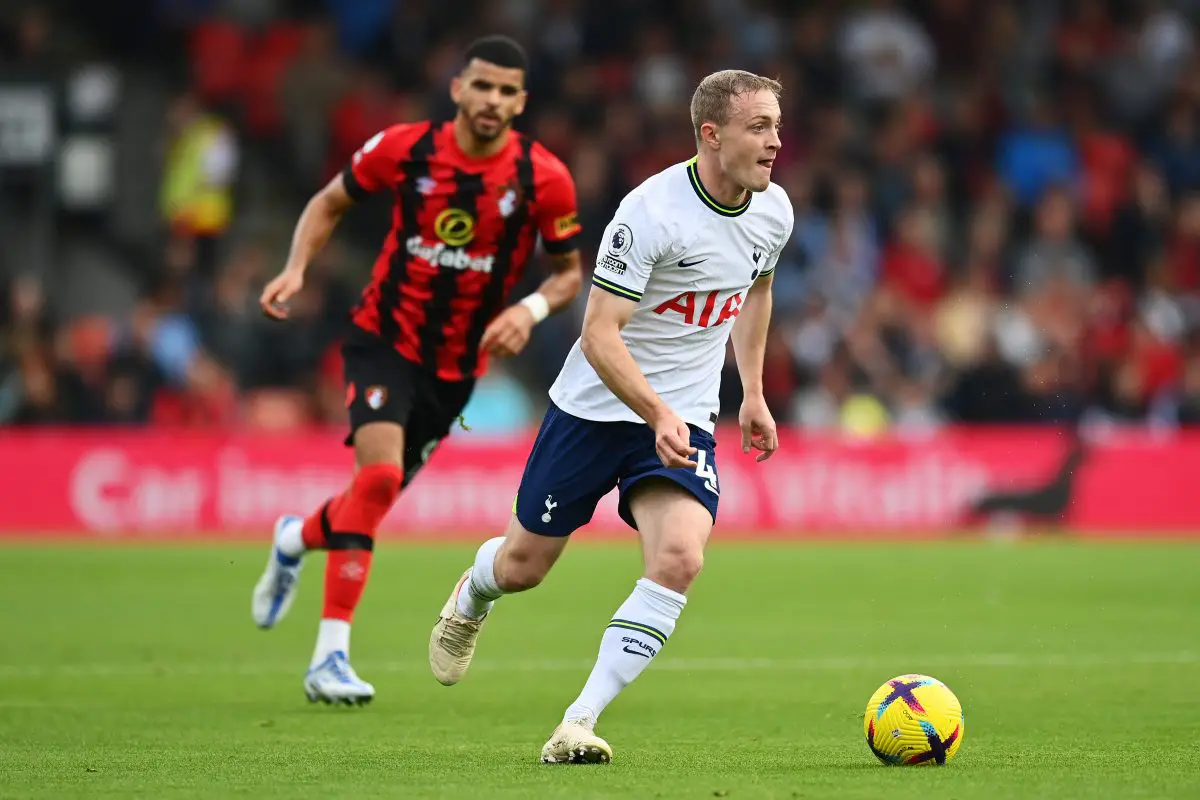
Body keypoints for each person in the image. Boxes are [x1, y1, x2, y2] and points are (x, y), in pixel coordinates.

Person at [428, 70, 794, 762]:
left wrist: (751, 393)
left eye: (777, 125)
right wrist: (652, 409)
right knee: (524, 566)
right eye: (759, 127)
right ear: (711, 136)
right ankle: (473, 594)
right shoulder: (650, 213)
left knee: (681, 557)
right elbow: (598, 334)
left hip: (682, 417)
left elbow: (756, 293)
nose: (776, 141)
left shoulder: (774, 211)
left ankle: (579, 720)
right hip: (596, 409)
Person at [250, 35, 584, 705]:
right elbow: (328, 202)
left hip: (456, 368)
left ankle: (294, 537)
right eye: (481, 85)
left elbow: (570, 273)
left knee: (368, 502)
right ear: (457, 87)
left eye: (506, 90)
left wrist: (531, 308)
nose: (491, 100)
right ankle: (329, 657)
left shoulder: (543, 178)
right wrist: (295, 267)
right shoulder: (405, 148)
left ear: (521, 102)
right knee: (374, 480)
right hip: (384, 340)